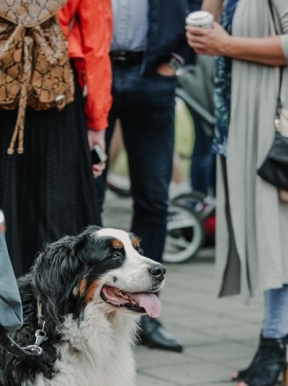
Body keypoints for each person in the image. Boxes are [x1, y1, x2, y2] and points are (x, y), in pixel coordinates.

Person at [187, 0, 288, 386]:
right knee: (266, 235)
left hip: (277, 129)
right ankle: (276, 340)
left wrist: (226, 44)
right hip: (241, 124)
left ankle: (276, 342)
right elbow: (210, 32)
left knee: (279, 234)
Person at [0, 0, 111, 279]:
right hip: (54, 86)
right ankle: (54, 297)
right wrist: (96, 121)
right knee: (56, 206)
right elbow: (96, 43)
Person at [94, 0, 202, 353]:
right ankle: (90, 306)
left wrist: (177, 61)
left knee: (154, 197)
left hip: (153, 73)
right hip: (97, 73)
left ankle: (146, 315)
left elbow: (200, 8)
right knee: (87, 195)